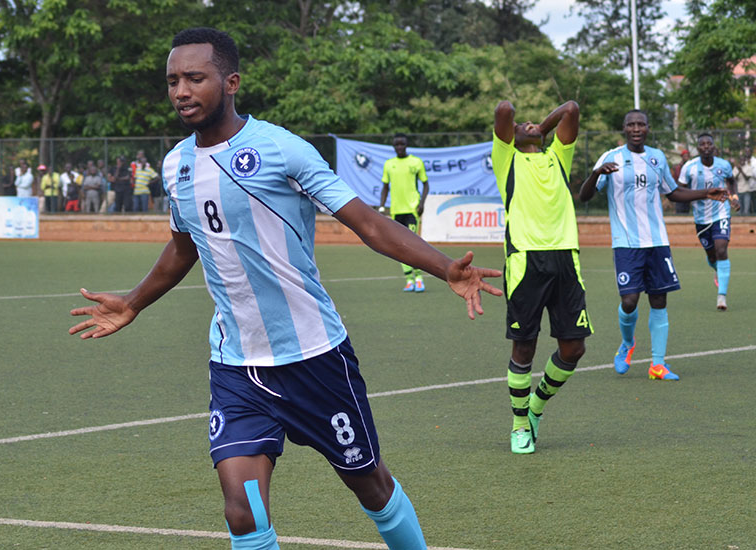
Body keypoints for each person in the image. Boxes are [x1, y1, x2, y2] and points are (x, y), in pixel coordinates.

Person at [69, 27, 503, 550]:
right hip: (236, 365)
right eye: (172, 81)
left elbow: (366, 222)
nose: (181, 91)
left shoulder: (281, 149)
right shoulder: (176, 164)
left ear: (230, 82)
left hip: (314, 357)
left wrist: (444, 268)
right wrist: (134, 301)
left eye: (195, 78)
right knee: (243, 512)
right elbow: (186, 245)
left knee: (371, 486)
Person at [579, 110, 727, 382]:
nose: (636, 128)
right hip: (625, 244)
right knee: (629, 300)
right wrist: (596, 173)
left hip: (657, 241)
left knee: (659, 300)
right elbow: (584, 195)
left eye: (641, 124)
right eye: (631, 124)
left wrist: (706, 192)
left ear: (648, 128)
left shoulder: (657, 157)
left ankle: (657, 365)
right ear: (624, 128)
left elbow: (673, 193)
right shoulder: (610, 157)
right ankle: (627, 343)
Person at [491, 99, 592, 455]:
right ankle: (519, 424)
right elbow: (504, 110)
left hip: (566, 257)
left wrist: (539, 131)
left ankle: (535, 406)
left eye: (536, 123)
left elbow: (571, 109)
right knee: (525, 345)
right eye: (525, 124)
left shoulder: (557, 156)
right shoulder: (507, 160)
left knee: (574, 348)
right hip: (525, 260)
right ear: (512, 137)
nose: (530, 123)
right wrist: (521, 128)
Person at [678, 133, 739, 311]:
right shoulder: (689, 167)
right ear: (697, 149)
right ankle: (717, 270)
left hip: (721, 214)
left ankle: (722, 297)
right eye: (702, 144)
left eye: (709, 144)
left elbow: (731, 181)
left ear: (714, 147)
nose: (706, 146)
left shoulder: (724, 165)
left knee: (721, 249)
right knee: (712, 256)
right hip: (701, 218)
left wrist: (733, 197)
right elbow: (680, 189)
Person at [377, 133, 429, 292]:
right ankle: (409, 279)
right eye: (397, 145)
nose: (399, 147)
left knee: (413, 244)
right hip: (396, 211)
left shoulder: (416, 162)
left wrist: (421, 204)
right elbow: (385, 187)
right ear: (393, 146)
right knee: (400, 246)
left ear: (407, 145)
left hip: (411, 210)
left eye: (402, 144)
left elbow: (426, 185)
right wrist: (381, 207)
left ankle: (419, 278)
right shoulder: (388, 164)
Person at [733, 152, 754, 216]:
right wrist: (739, 171)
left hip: (746, 191)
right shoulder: (736, 168)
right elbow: (734, 179)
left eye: (743, 160)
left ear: (745, 160)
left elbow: (747, 178)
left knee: (746, 211)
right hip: (738, 191)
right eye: (741, 160)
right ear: (739, 161)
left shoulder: (748, 167)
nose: (742, 161)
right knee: (739, 211)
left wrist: (741, 170)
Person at [671, 149, 691, 213]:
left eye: (687, 156)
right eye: (685, 156)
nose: (686, 158)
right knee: (680, 205)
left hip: (687, 189)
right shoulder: (679, 167)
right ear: (682, 157)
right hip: (680, 188)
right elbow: (677, 177)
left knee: (686, 206)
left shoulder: (690, 166)